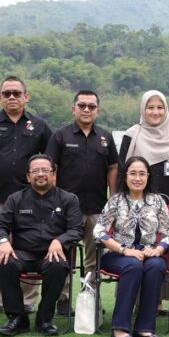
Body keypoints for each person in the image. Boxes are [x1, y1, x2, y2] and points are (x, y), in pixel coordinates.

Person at [0, 75, 52, 316]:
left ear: (26, 96)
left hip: (32, 202)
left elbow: (50, 162)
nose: (12, 97)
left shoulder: (39, 126)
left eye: (17, 93)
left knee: (30, 248)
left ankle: (26, 301)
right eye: (7, 93)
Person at [0, 155, 83, 337]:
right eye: (35, 171)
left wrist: (59, 240)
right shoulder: (15, 199)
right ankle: (17, 318)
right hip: (22, 253)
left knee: (58, 267)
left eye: (45, 170)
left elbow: (77, 229)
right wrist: (3, 241)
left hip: (52, 254)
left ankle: (44, 319)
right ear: (28, 176)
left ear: (54, 174)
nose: (40, 174)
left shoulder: (68, 199)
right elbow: (0, 226)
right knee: (4, 263)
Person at [46, 89, 118, 315]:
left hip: (97, 207)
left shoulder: (106, 137)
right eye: (82, 106)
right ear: (73, 108)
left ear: (98, 110)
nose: (87, 110)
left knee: (94, 256)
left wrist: (114, 198)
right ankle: (63, 297)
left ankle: (90, 297)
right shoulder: (60, 136)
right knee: (64, 253)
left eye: (91, 106)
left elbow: (113, 167)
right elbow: (51, 168)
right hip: (65, 209)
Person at [119, 90, 169, 315]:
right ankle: (133, 300)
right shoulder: (132, 135)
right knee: (135, 252)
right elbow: (122, 169)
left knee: (163, 255)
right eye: (150, 107)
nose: (155, 112)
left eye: (160, 107)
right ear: (143, 109)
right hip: (134, 207)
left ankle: (157, 302)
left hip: (168, 209)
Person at [93, 156, 169, 337]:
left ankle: (144, 327)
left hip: (149, 252)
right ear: (125, 176)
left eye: (142, 174)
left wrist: (159, 249)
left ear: (148, 176)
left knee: (156, 266)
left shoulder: (157, 201)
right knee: (133, 265)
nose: (137, 178)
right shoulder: (116, 200)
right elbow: (98, 231)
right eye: (133, 173)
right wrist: (124, 250)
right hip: (117, 254)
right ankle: (120, 327)